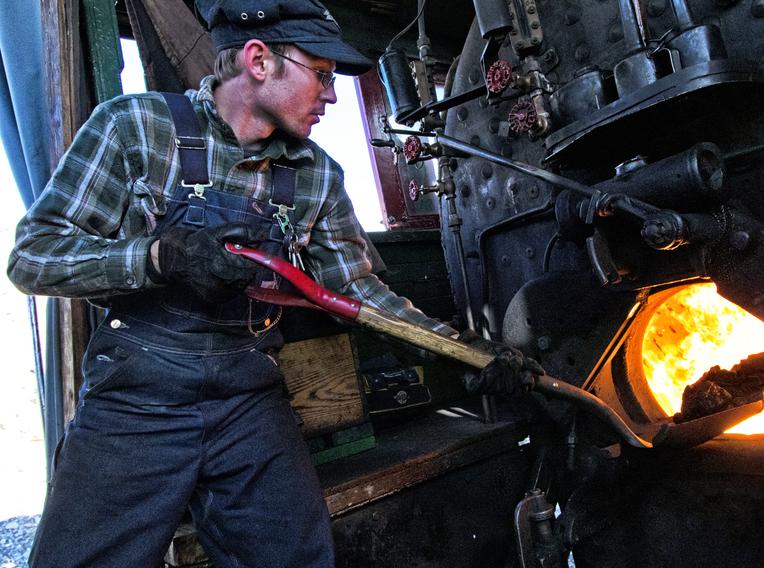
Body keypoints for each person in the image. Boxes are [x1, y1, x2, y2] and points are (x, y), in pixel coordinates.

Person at [8, 1, 540, 566]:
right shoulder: (134, 127)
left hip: (248, 398)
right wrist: (160, 256)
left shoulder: (316, 176)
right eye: (322, 75)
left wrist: (465, 352)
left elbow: (359, 295)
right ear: (260, 60)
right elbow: (34, 257)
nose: (331, 96)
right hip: (137, 397)